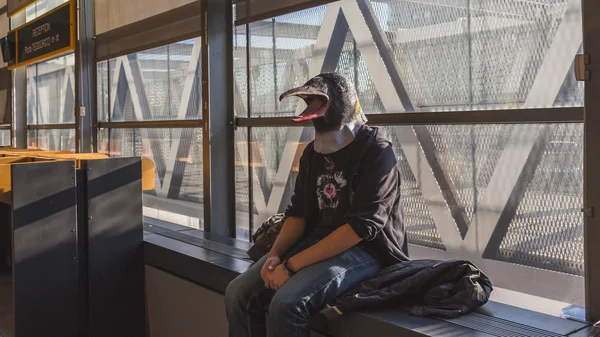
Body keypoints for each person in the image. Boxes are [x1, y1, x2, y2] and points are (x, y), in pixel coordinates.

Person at [225, 73, 409, 337]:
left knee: (288, 304)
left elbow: (362, 227)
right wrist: (275, 256)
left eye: (318, 101)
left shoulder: (377, 152)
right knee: (237, 293)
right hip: (317, 241)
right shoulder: (313, 153)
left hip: (369, 251)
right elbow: (298, 213)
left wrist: (290, 266)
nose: (311, 108)